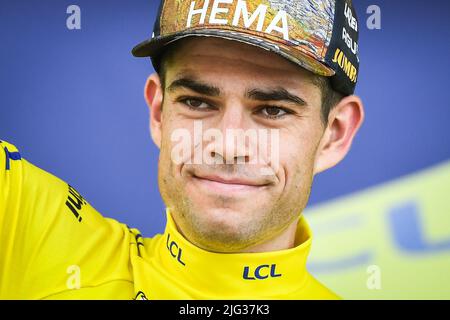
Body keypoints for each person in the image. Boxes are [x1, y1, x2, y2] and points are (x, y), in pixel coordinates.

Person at [0, 0, 364, 299]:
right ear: (159, 112)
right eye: (197, 102)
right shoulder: (27, 228)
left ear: (334, 134)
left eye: (273, 110)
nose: (227, 145)